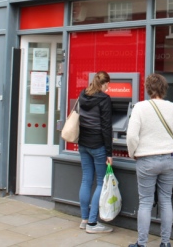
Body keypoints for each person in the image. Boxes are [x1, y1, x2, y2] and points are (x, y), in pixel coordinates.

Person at [126, 74, 173, 247]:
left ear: (148, 88)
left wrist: (132, 153)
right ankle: (165, 243)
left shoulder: (140, 107)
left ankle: (142, 243)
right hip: (170, 158)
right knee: (166, 200)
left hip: (147, 159)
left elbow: (131, 136)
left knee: (145, 202)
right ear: (164, 88)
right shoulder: (172, 107)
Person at [77, 71, 114, 234]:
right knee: (100, 182)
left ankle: (84, 219)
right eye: (108, 85)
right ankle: (92, 223)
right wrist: (109, 153)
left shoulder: (83, 94)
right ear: (105, 84)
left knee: (86, 180)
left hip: (83, 144)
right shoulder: (104, 99)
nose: (108, 88)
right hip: (98, 145)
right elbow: (106, 127)